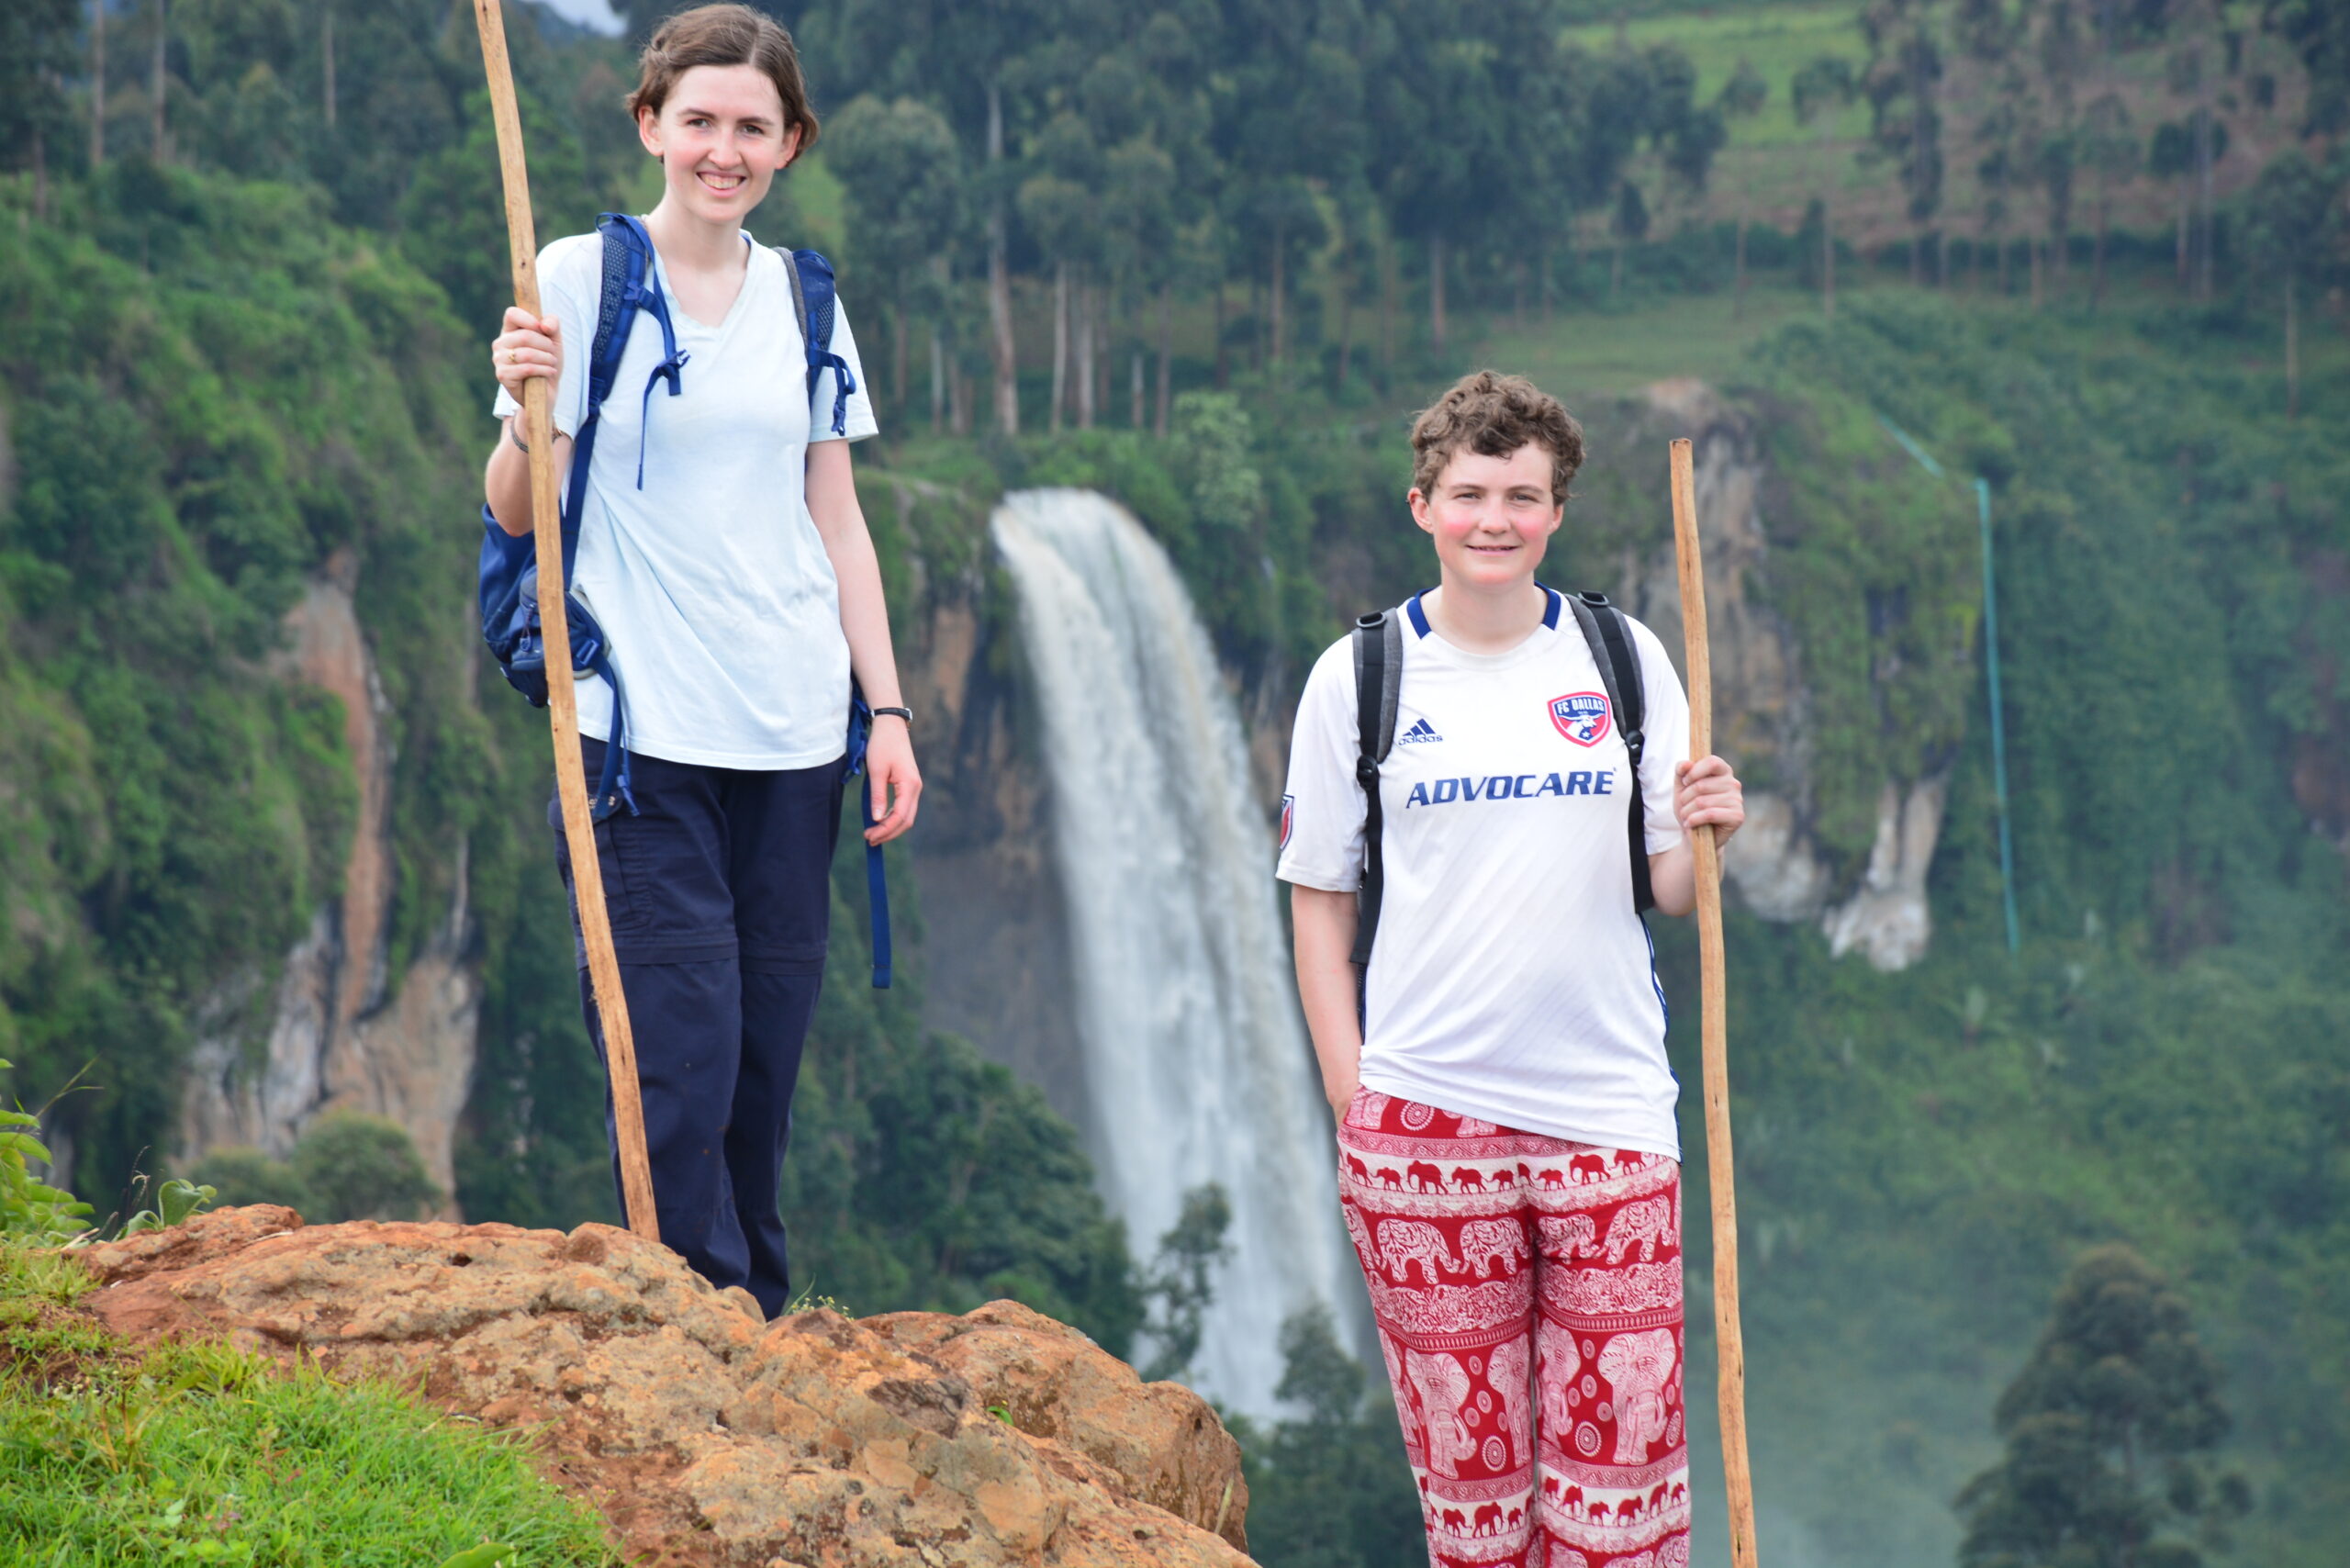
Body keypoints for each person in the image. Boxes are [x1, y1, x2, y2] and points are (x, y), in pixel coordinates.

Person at [482, 4, 918, 1317]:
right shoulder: (574, 277)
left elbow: (834, 516)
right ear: (649, 126)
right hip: (635, 739)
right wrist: (523, 402)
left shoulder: (810, 300)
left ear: (789, 144)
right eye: (700, 122)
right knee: (679, 1046)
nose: (722, 151)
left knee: (762, 1063)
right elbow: (516, 509)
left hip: (794, 734)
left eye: (752, 127)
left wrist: (883, 708)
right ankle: (699, 1323)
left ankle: (761, 1321)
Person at [1278, 371, 1743, 1568]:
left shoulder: (1620, 658)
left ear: (1556, 512)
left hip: (1608, 1118)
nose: (1496, 518)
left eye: (1522, 496)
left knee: (1622, 1492)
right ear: (1423, 502)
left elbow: (1676, 890)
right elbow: (1321, 902)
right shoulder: (1361, 678)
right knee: (1473, 1500)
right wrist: (1357, 1096)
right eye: (1471, 492)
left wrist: (1711, 827)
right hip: (1424, 1131)